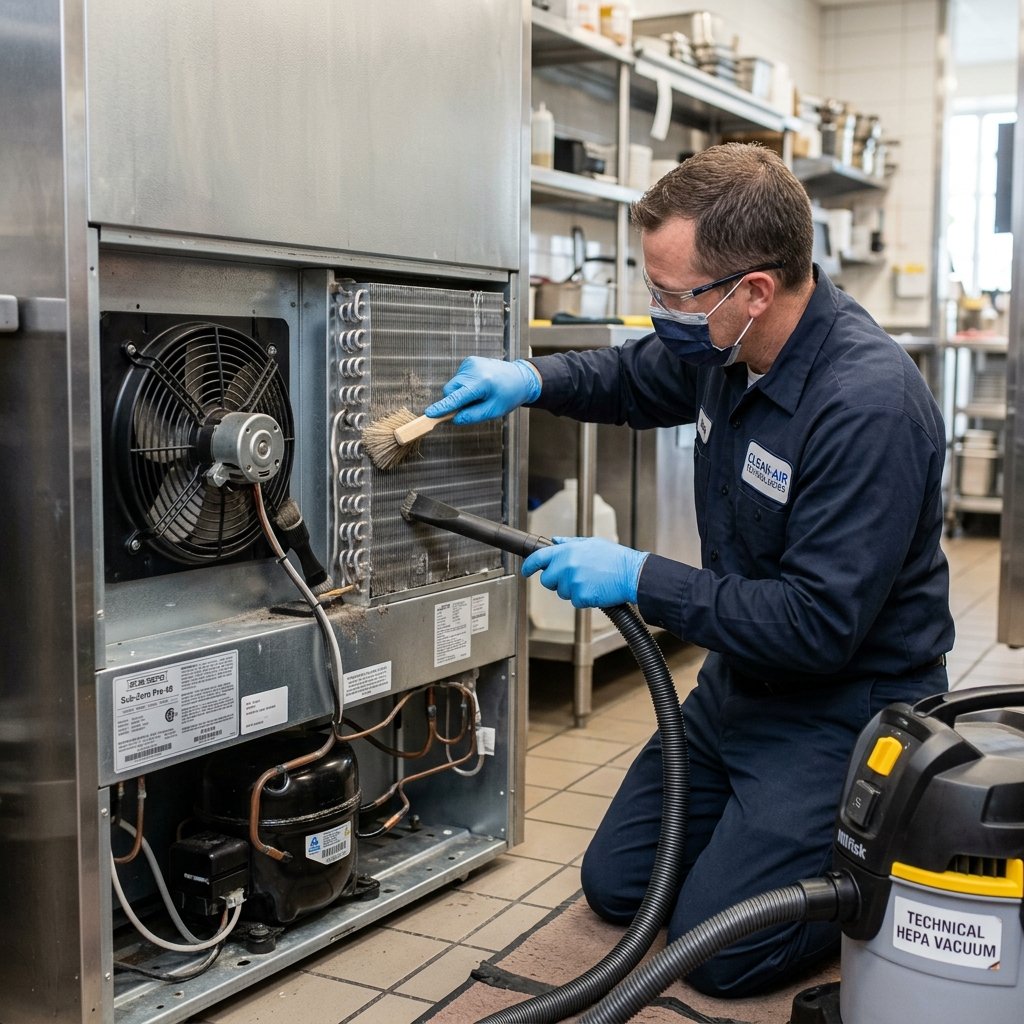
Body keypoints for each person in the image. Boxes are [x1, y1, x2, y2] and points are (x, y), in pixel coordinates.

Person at [423, 142, 953, 997]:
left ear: (754, 290)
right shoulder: (727, 352)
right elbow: (631, 375)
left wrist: (640, 577)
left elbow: (816, 627)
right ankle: (761, 842)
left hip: (842, 708)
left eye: (673, 296)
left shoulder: (867, 406)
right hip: (740, 689)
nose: (660, 313)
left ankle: (863, 861)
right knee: (619, 886)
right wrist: (528, 377)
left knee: (725, 955)